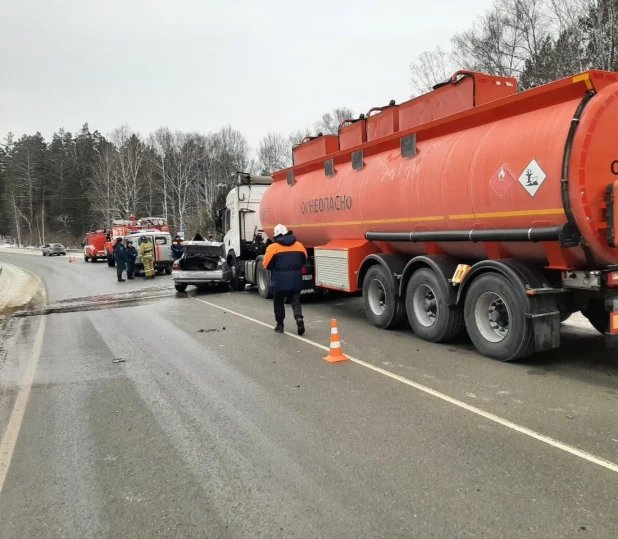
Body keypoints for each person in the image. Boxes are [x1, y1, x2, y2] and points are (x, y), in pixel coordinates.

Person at [263, 224, 307, 335]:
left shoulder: (273, 248)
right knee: (296, 302)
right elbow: (304, 260)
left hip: (280, 281)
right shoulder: (299, 245)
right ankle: (299, 319)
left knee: (278, 302)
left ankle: (280, 325)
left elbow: (266, 265)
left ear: (276, 235)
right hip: (295, 279)